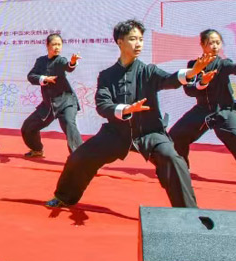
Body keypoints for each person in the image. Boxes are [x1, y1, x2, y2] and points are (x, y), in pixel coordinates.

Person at [46, 19, 214, 209]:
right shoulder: (107, 75)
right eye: (133, 39)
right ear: (120, 42)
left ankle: (188, 213)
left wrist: (192, 72)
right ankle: (64, 197)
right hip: (116, 133)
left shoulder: (148, 71)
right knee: (80, 157)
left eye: (141, 39)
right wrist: (125, 110)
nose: (138, 44)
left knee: (173, 159)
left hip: (150, 132)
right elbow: (102, 104)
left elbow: (169, 79)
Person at [168, 29, 236, 189]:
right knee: (175, 136)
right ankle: (181, 169)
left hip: (224, 110)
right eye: (211, 42)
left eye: (218, 42)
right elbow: (189, 90)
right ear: (202, 44)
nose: (215, 46)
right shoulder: (192, 66)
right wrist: (203, 83)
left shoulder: (223, 64)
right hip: (202, 111)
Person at [21, 33, 82, 157]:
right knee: (28, 127)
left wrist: (72, 63)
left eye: (59, 45)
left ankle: (80, 158)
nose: (57, 47)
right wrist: (44, 78)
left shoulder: (61, 60)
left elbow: (68, 67)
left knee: (69, 124)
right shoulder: (41, 61)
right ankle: (37, 149)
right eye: (54, 44)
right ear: (47, 45)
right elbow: (31, 76)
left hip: (66, 101)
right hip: (49, 104)